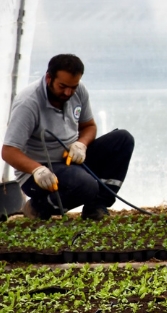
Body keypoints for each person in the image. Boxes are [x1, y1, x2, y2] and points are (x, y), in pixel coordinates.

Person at [1, 54, 134, 220]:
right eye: (62, 86)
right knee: (86, 185)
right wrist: (37, 169)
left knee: (123, 140)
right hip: (39, 173)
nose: (68, 92)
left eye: (73, 87)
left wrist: (81, 144)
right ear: (49, 77)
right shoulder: (28, 103)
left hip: (71, 162)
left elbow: (89, 126)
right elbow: (8, 151)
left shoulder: (79, 92)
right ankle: (38, 207)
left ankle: (97, 206)